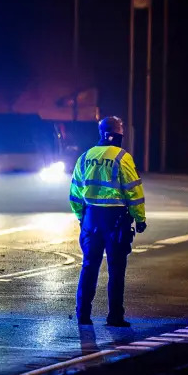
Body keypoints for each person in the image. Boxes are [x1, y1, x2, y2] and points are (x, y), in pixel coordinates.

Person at [70, 116, 146, 327]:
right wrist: (140, 219)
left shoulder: (85, 157)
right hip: (116, 220)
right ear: (118, 133)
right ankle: (114, 317)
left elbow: (75, 193)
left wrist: (81, 218)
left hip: (90, 219)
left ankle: (83, 314)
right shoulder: (122, 157)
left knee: (89, 266)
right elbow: (134, 191)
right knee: (116, 268)